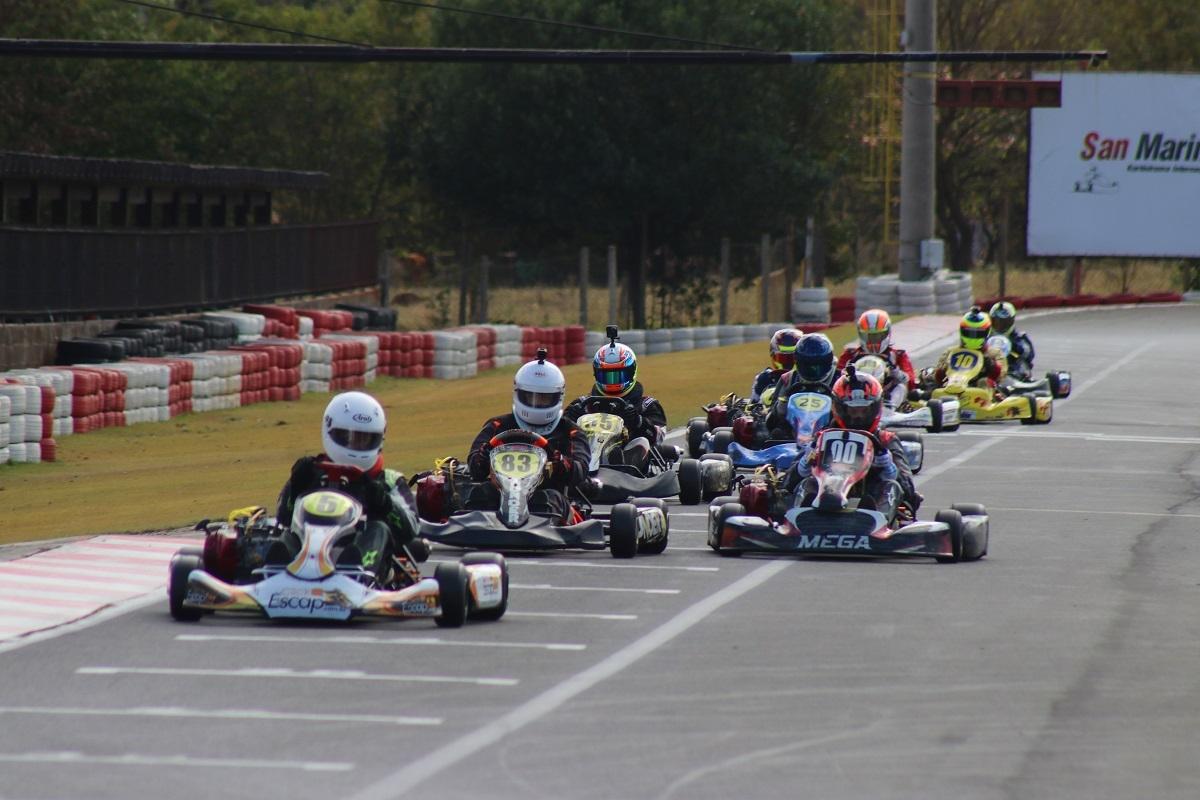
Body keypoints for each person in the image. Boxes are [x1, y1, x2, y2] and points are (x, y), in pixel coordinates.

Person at [276, 391, 425, 583]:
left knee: (378, 528)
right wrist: (296, 487)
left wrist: (384, 503)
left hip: (365, 562)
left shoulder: (388, 480)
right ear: (329, 431)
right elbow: (284, 518)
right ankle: (277, 570)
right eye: (348, 437)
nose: (356, 445)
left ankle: (355, 574)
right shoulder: (311, 472)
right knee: (287, 534)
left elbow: (410, 530)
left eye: (365, 440)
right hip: (309, 549)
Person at [468, 349, 591, 522]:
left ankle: (541, 529)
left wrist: (559, 463)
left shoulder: (570, 431)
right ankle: (478, 528)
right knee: (480, 493)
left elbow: (581, 470)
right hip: (500, 495)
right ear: (518, 394)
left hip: (547, 498)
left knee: (549, 499)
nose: (536, 403)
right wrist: (483, 457)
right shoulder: (497, 425)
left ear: (558, 397)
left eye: (543, 399)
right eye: (530, 397)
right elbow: (474, 467)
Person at [789, 366, 921, 520]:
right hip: (823, 502)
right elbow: (787, 484)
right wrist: (803, 465)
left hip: (870, 506)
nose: (858, 417)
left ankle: (877, 522)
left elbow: (908, 490)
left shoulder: (886, 440)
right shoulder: (821, 438)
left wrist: (888, 468)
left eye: (864, 411)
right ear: (839, 408)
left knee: (891, 486)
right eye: (853, 411)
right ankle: (799, 521)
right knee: (807, 483)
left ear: (875, 408)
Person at [564, 327, 667, 470]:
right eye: (606, 376)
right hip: (585, 457)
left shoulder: (646, 405)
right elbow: (557, 433)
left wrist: (638, 422)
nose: (612, 381)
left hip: (625, 465)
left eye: (618, 375)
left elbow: (659, 436)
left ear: (631, 372)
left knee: (641, 442)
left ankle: (622, 469)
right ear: (596, 374)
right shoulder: (584, 404)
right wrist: (569, 419)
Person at [836, 309, 916, 409]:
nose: (873, 341)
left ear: (887, 334)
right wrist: (847, 372)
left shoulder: (898, 355)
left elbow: (911, 382)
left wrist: (896, 372)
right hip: (854, 395)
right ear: (861, 335)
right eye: (869, 336)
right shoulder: (850, 354)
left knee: (901, 387)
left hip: (887, 395)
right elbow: (836, 380)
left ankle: (889, 408)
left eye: (877, 336)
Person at [764, 332, 838, 439]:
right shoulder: (787, 379)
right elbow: (772, 415)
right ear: (798, 362)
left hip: (828, 434)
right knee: (775, 432)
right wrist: (781, 407)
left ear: (829, 361)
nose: (813, 371)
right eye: (807, 365)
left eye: (818, 365)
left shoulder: (839, 379)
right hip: (790, 437)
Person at [932, 306, 1005, 389]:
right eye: (969, 332)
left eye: (978, 333)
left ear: (987, 332)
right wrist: (944, 369)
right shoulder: (950, 352)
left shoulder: (994, 353)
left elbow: (1001, 377)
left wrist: (991, 365)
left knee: (983, 382)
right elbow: (937, 378)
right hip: (952, 390)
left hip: (981, 395)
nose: (973, 337)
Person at [749, 327, 803, 403]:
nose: (787, 363)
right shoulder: (764, 379)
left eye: (791, 358)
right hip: (772, 413)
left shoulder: (808, 379)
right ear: (773, 355)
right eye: (782, 358)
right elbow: (751, 406)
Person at [988, 301, 1036, 380]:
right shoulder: (987, 336)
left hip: (1013, 368)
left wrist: (1014, 346)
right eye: (996, 322)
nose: (1000, 325)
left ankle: (1017, 380)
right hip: (993, 367)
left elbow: (1029, 354)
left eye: (1003, 323)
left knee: (1021, 364)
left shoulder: (1019, 337)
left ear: (1011, 321)